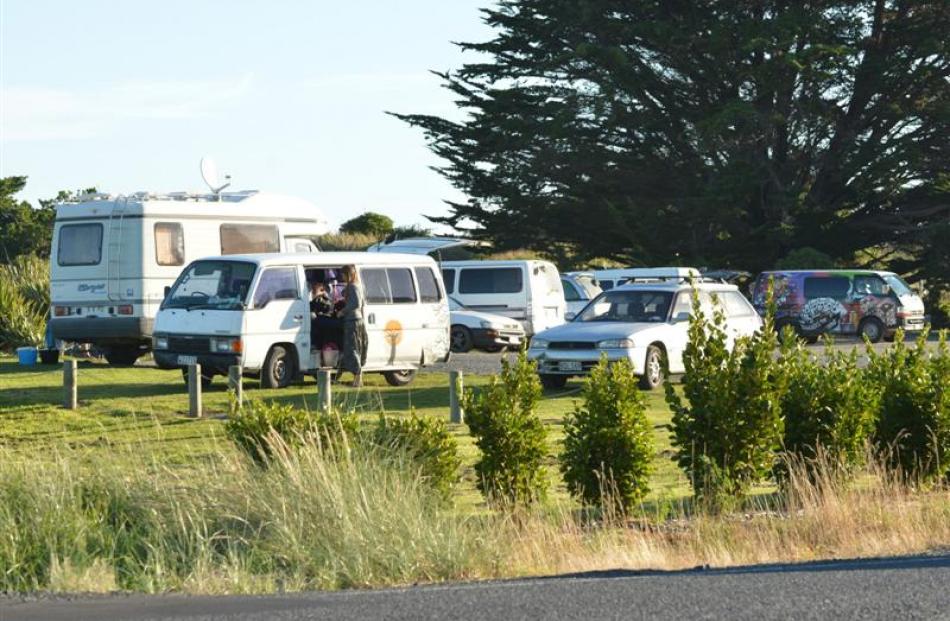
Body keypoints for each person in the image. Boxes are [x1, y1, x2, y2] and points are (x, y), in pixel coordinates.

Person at [339, 264, 367, 387]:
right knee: (357, 349)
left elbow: (355, 303)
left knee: (352, 349)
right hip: (358, 320)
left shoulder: (353, 287)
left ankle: (357, 377)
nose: (343, 278)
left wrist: (342, 311)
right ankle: (357, 378)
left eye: (344, 275)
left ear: (348, 275)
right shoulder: (357, 286)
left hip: (352, 320)